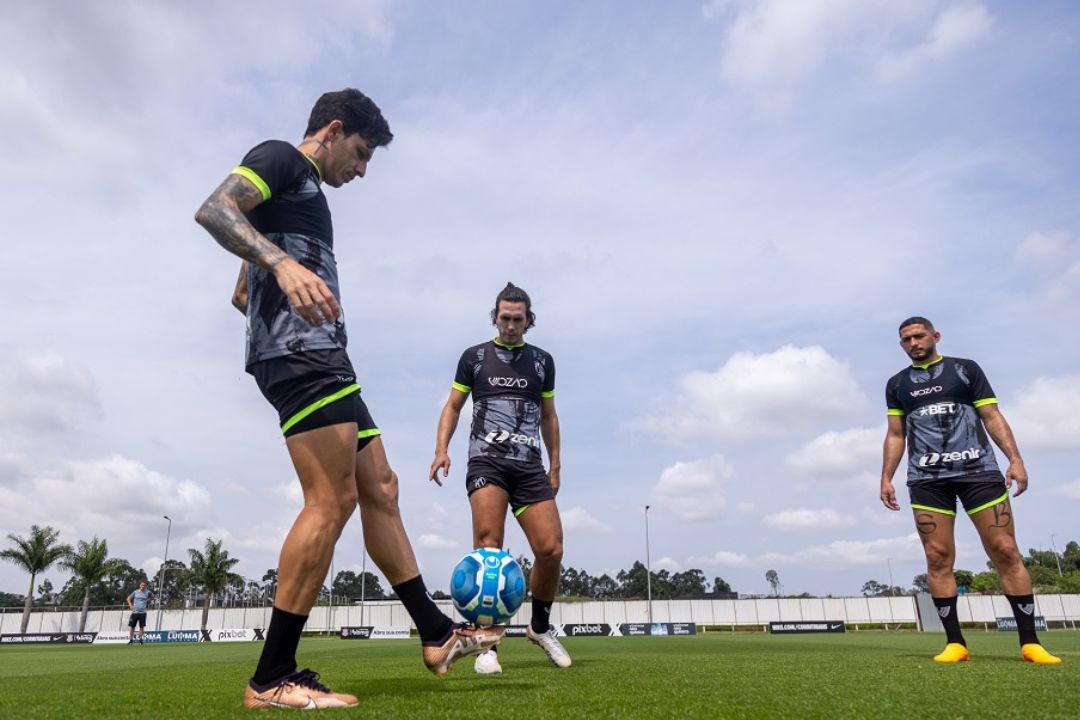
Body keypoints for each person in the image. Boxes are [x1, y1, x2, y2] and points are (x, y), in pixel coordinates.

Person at [195, 88, 502, 709]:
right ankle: (271, 676)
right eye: (360, 154)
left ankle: (437, 635)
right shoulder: (282, 157)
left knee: (380, 487)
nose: (361, 171)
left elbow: (240, 290)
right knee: (331, 501)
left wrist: (266, 275)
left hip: (325, 357)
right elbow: (216, 210)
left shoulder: (299, 195)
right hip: (302, 357)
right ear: (333, 131)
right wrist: (283, 268)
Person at [879, 316, 1060, 664]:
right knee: (936, 557)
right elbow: (896, 434)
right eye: (906, 339)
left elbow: (991, 415)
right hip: (927, 479)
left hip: (979, 471)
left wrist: (1016, 459)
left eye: (918, 336)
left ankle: (1030, 642)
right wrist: (886, 477)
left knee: (1005, 550)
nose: (913, 343)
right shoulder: (897, 384)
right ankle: (955, 644)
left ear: (935, 336)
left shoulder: (965, 370)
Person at [430, 282, 571, 675]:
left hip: (528, 466)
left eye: (518, 319)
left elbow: (549, 416)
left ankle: (539, 627)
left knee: (551, 549)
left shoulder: (543, 361)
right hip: (487, 463)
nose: (511, 325)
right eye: (505, 318)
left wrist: (555, 466)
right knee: (489, 549)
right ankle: (487, 646)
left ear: (529, 320)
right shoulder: (474, 357)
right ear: (495, 316)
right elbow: (453, 406)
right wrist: (442, 449)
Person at [126, 580, 153, 644]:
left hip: (143, 612)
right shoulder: (135, 592)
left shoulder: (148, 592)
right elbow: (128, 598)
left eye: (144, 585)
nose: (143, 586)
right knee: (132, 626)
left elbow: (152, 597)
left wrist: (148, 600)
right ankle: (131, 640)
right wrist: (130, 605)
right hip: (135, 612)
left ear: (145, 586)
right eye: (142, 585)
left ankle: (140, 640)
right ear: (139, 586)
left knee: (141, 627)